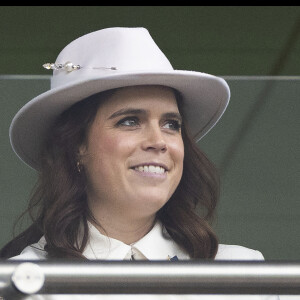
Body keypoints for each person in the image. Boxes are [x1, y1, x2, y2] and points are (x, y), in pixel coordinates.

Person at [0, 27, 280, 299]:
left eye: (171, 124)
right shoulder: (24, 282)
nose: (159, 141)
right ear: (76, 147)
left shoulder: (242, 274)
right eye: (130, 121)